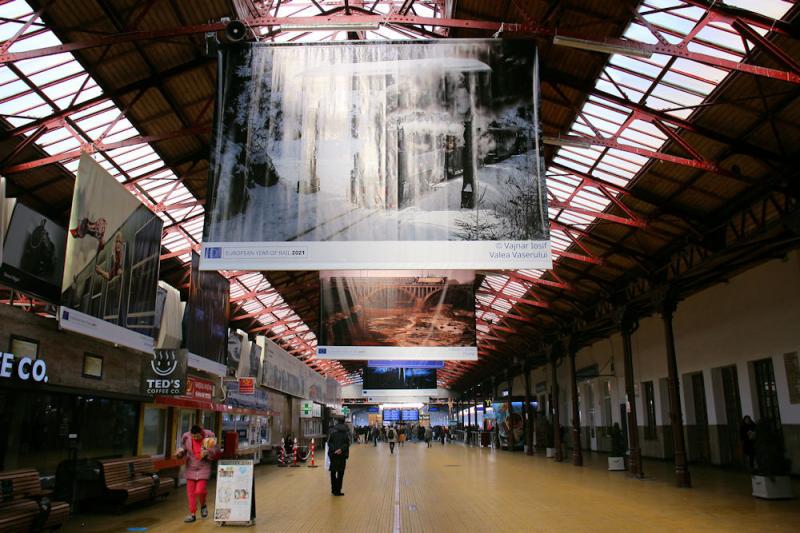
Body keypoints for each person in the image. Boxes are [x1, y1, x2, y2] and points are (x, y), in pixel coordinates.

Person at [176, 424, 220, 523]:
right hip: (190, 467)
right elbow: (183, 448)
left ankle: (203, 505)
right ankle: (192, 514)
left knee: (200, 490)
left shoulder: (209, 437)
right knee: (190, 493)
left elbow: (216, 451)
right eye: (193, 436)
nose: (195, 438)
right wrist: (180, 453)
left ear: (202, 434)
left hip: (203, 467)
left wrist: (208, 453)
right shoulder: (187, 437)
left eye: (197, 436)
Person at [327, 416, 350, 496]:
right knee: (340, 473)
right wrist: (341, 449)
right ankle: (338, 490)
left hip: (333, 455)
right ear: (343, 422)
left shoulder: (332, 431)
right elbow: (347, 443)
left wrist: (334, 450)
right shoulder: (346, 432)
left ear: (337, 421)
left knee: (333, 473)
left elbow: (329, 442)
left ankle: (333, 490)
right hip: (342, 455)